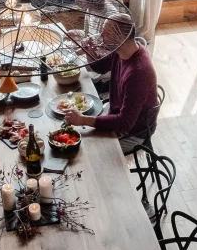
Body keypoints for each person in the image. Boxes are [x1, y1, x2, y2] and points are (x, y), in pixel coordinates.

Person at [64, 14, 158, 153]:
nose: (101, 35)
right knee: (75, 133)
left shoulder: (138, 73)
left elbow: (124, 123)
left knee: (88, 150)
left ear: (119, 37)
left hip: (134, 132)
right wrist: (88, 51)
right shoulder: (122, 50)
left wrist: (83, 120)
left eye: (106, 32)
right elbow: (101, 67)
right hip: (115, 111)